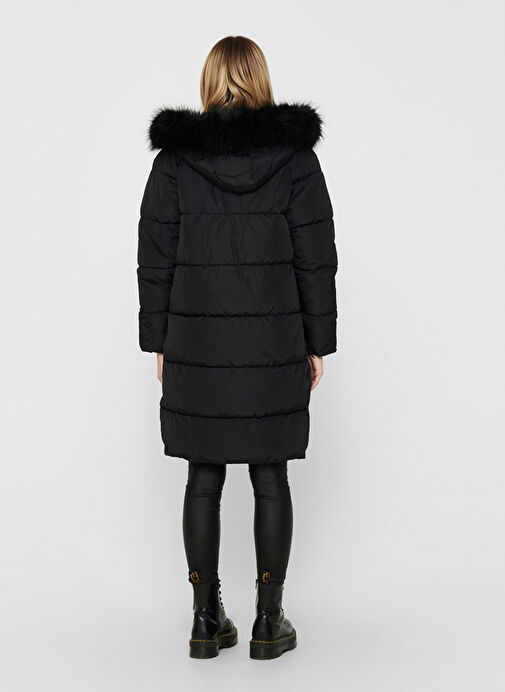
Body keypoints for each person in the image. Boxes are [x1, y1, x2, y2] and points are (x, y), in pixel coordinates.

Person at [137, 35, 337, 660]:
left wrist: (159, 342)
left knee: (203, 474)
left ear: (209, 81)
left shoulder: (174, 162)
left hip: (195, 344)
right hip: (275, 343)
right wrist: (317, 342)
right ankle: (268, 623)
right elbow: (316, 257)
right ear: (260, 79)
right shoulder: (296, 161)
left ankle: (204, 620)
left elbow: (154, 257)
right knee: (270, 474)